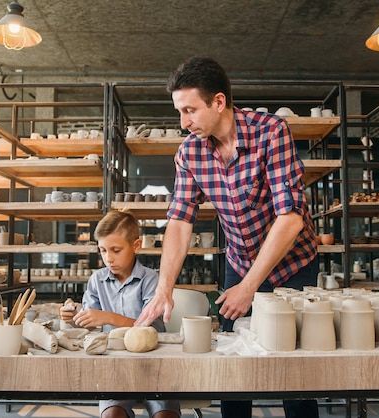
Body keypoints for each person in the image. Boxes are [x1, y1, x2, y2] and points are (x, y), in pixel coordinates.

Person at [135, 57, 319, 418]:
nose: (183, 122)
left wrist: (251, 287)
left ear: (218, 102)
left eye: (190, 110)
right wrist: (163, 289)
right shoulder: (189, 152)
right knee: (233, 367)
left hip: (293, 264)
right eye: (179, 111)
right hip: (240, 261)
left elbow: (291, 219)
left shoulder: (271, 132)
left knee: (293, 371)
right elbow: (179, 222)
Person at [60, 210, 180, 418]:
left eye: (115, 250)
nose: (108, 258)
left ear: (136, 245)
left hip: (154, 364)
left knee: (165, 415)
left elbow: (154, 329)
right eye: (103, 250)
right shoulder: (97, 280)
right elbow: (88, 324)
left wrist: (108, 317)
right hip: (114, 366)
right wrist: (74, 319)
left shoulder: (151, 280)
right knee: (112, 415)